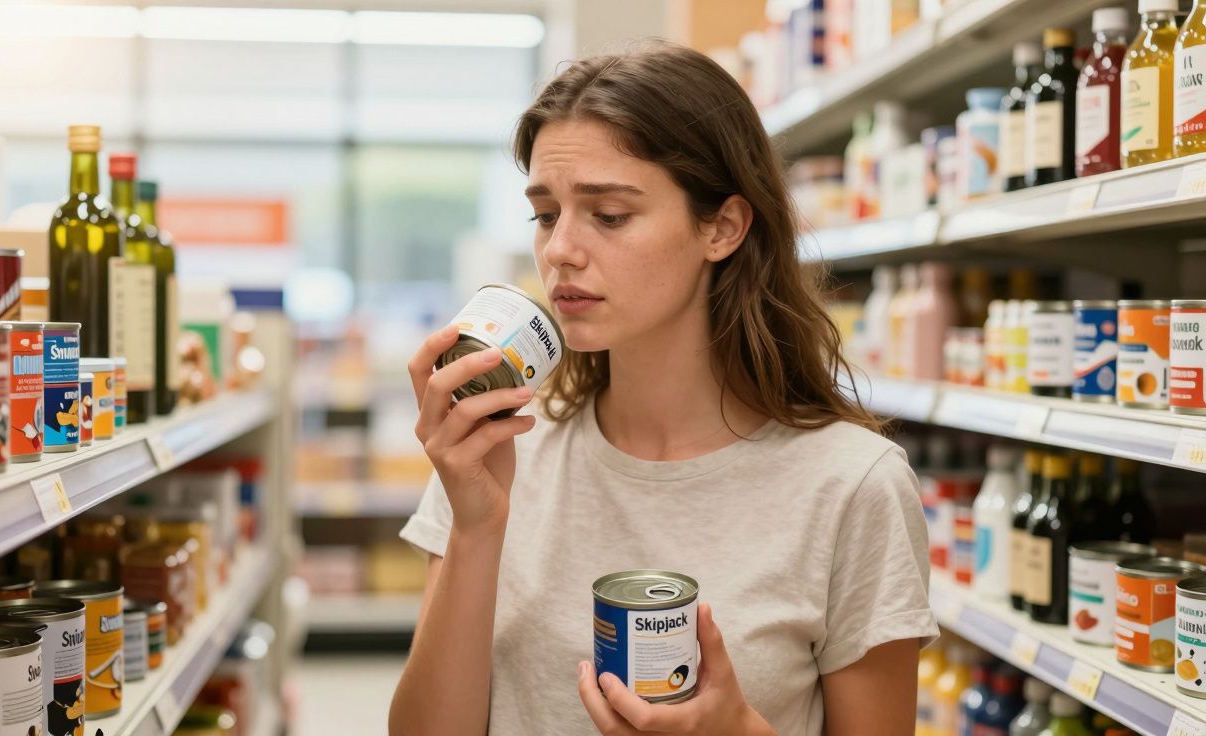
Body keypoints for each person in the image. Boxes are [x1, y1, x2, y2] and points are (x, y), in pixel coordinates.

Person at [390, 40, 938, 736]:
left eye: (609, 215)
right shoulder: (495, 446)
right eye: (546, 214)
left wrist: (739, 730)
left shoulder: (851, 485)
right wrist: (476, 527)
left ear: (723, 227)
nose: (559, 249)